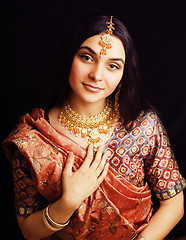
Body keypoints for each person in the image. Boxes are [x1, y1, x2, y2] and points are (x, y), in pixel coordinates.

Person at [3, 15, 185, 240]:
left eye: (113, 66)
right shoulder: (31, 138)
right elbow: (27, 229)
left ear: (123, 75)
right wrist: (68, 202)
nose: (97, 75)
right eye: (87, 57)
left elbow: (174, 205)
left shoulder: (143, 127)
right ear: (69, 57)